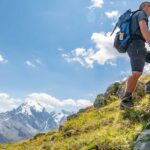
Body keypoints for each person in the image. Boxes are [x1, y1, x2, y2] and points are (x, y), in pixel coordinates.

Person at [120, 1, 150, 108]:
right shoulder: (142, 13)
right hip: (136, 45)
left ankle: (125, 100)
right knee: (137, 73)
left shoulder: (134, 15)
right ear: (146, 7)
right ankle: (126, 99)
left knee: (137, 72)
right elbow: (143, 28)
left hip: (134, 46)